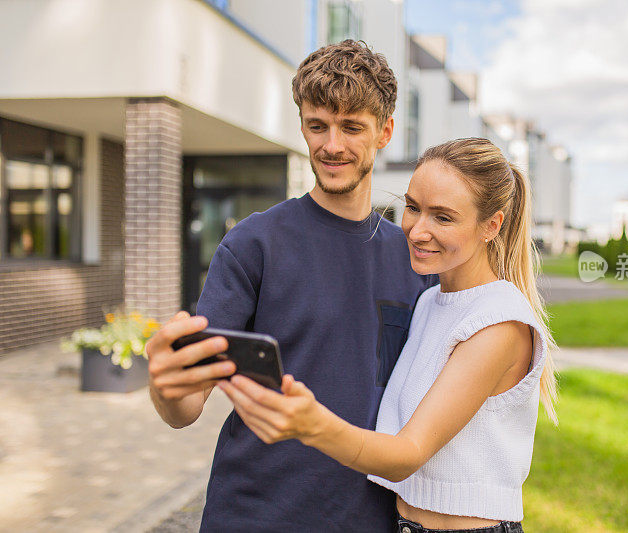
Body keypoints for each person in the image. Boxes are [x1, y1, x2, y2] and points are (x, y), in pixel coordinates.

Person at [145, 40, 435, 532]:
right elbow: (186, 408)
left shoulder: (414, 257)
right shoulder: (254, 244)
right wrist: (164, 384)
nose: (332, 145)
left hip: (372, 518)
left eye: (352, 127)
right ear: (301, 124)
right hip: (255, 514)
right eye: (317, 125)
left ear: (385, 131)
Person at [218, 138, 559, 533]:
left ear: (491, 226)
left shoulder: (498, 321)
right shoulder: (430, 301)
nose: (417, 231)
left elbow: (408, 453)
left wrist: (314, 425)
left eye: (443, 218)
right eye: (413, 208)